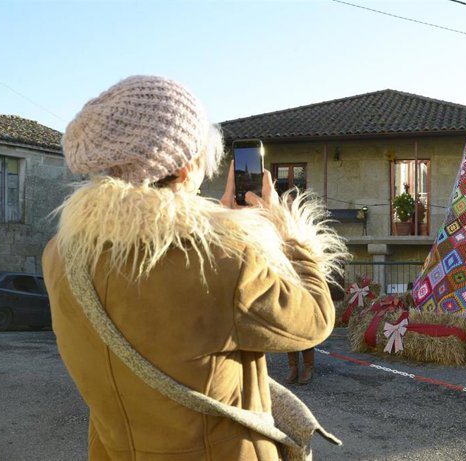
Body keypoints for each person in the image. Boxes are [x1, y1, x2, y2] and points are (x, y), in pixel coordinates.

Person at [42, 75, 347, 460]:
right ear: (186, 167)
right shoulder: (222, 259)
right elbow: (314, 320)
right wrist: (284, 234)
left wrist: (223, 225)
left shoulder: (60, 255)